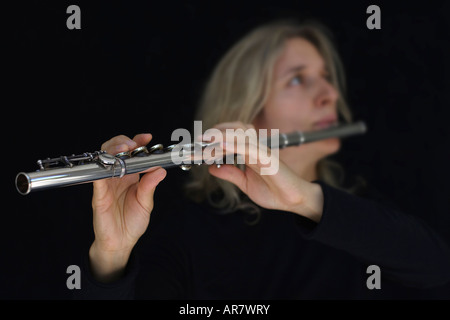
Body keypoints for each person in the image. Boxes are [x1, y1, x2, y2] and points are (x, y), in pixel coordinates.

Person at [77, 19, 450, 299]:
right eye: (297, 80)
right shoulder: (188, 233)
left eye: (325, 77)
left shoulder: (360, 210)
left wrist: (305, 199)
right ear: (249, 112)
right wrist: (111, 257)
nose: (329, 94)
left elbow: (438, 269)